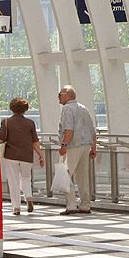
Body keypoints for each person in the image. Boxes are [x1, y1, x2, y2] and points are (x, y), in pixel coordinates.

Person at [0, 97, 43, 215]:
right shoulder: (30, 123)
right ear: (25, 109)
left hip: (11, 155)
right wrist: (40, 155)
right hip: (26, 156)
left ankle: (16, 207)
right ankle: (28, 197)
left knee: (13, 181)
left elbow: (0, 138)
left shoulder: (6, 122)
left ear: (12, 108)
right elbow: (35, 141)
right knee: (26, 178)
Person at [57, 85, 97, 215]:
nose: (58, 97)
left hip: (72, 146)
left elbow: (69, 129)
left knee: (65, 174)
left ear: (69, 96)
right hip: (85, 146)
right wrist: (93, 147)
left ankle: (71, 205)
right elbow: (92, 130)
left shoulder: (67, 108)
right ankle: (85, 205)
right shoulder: (83, 108)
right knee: (82, 177)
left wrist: (64, 145)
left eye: (60, 94)